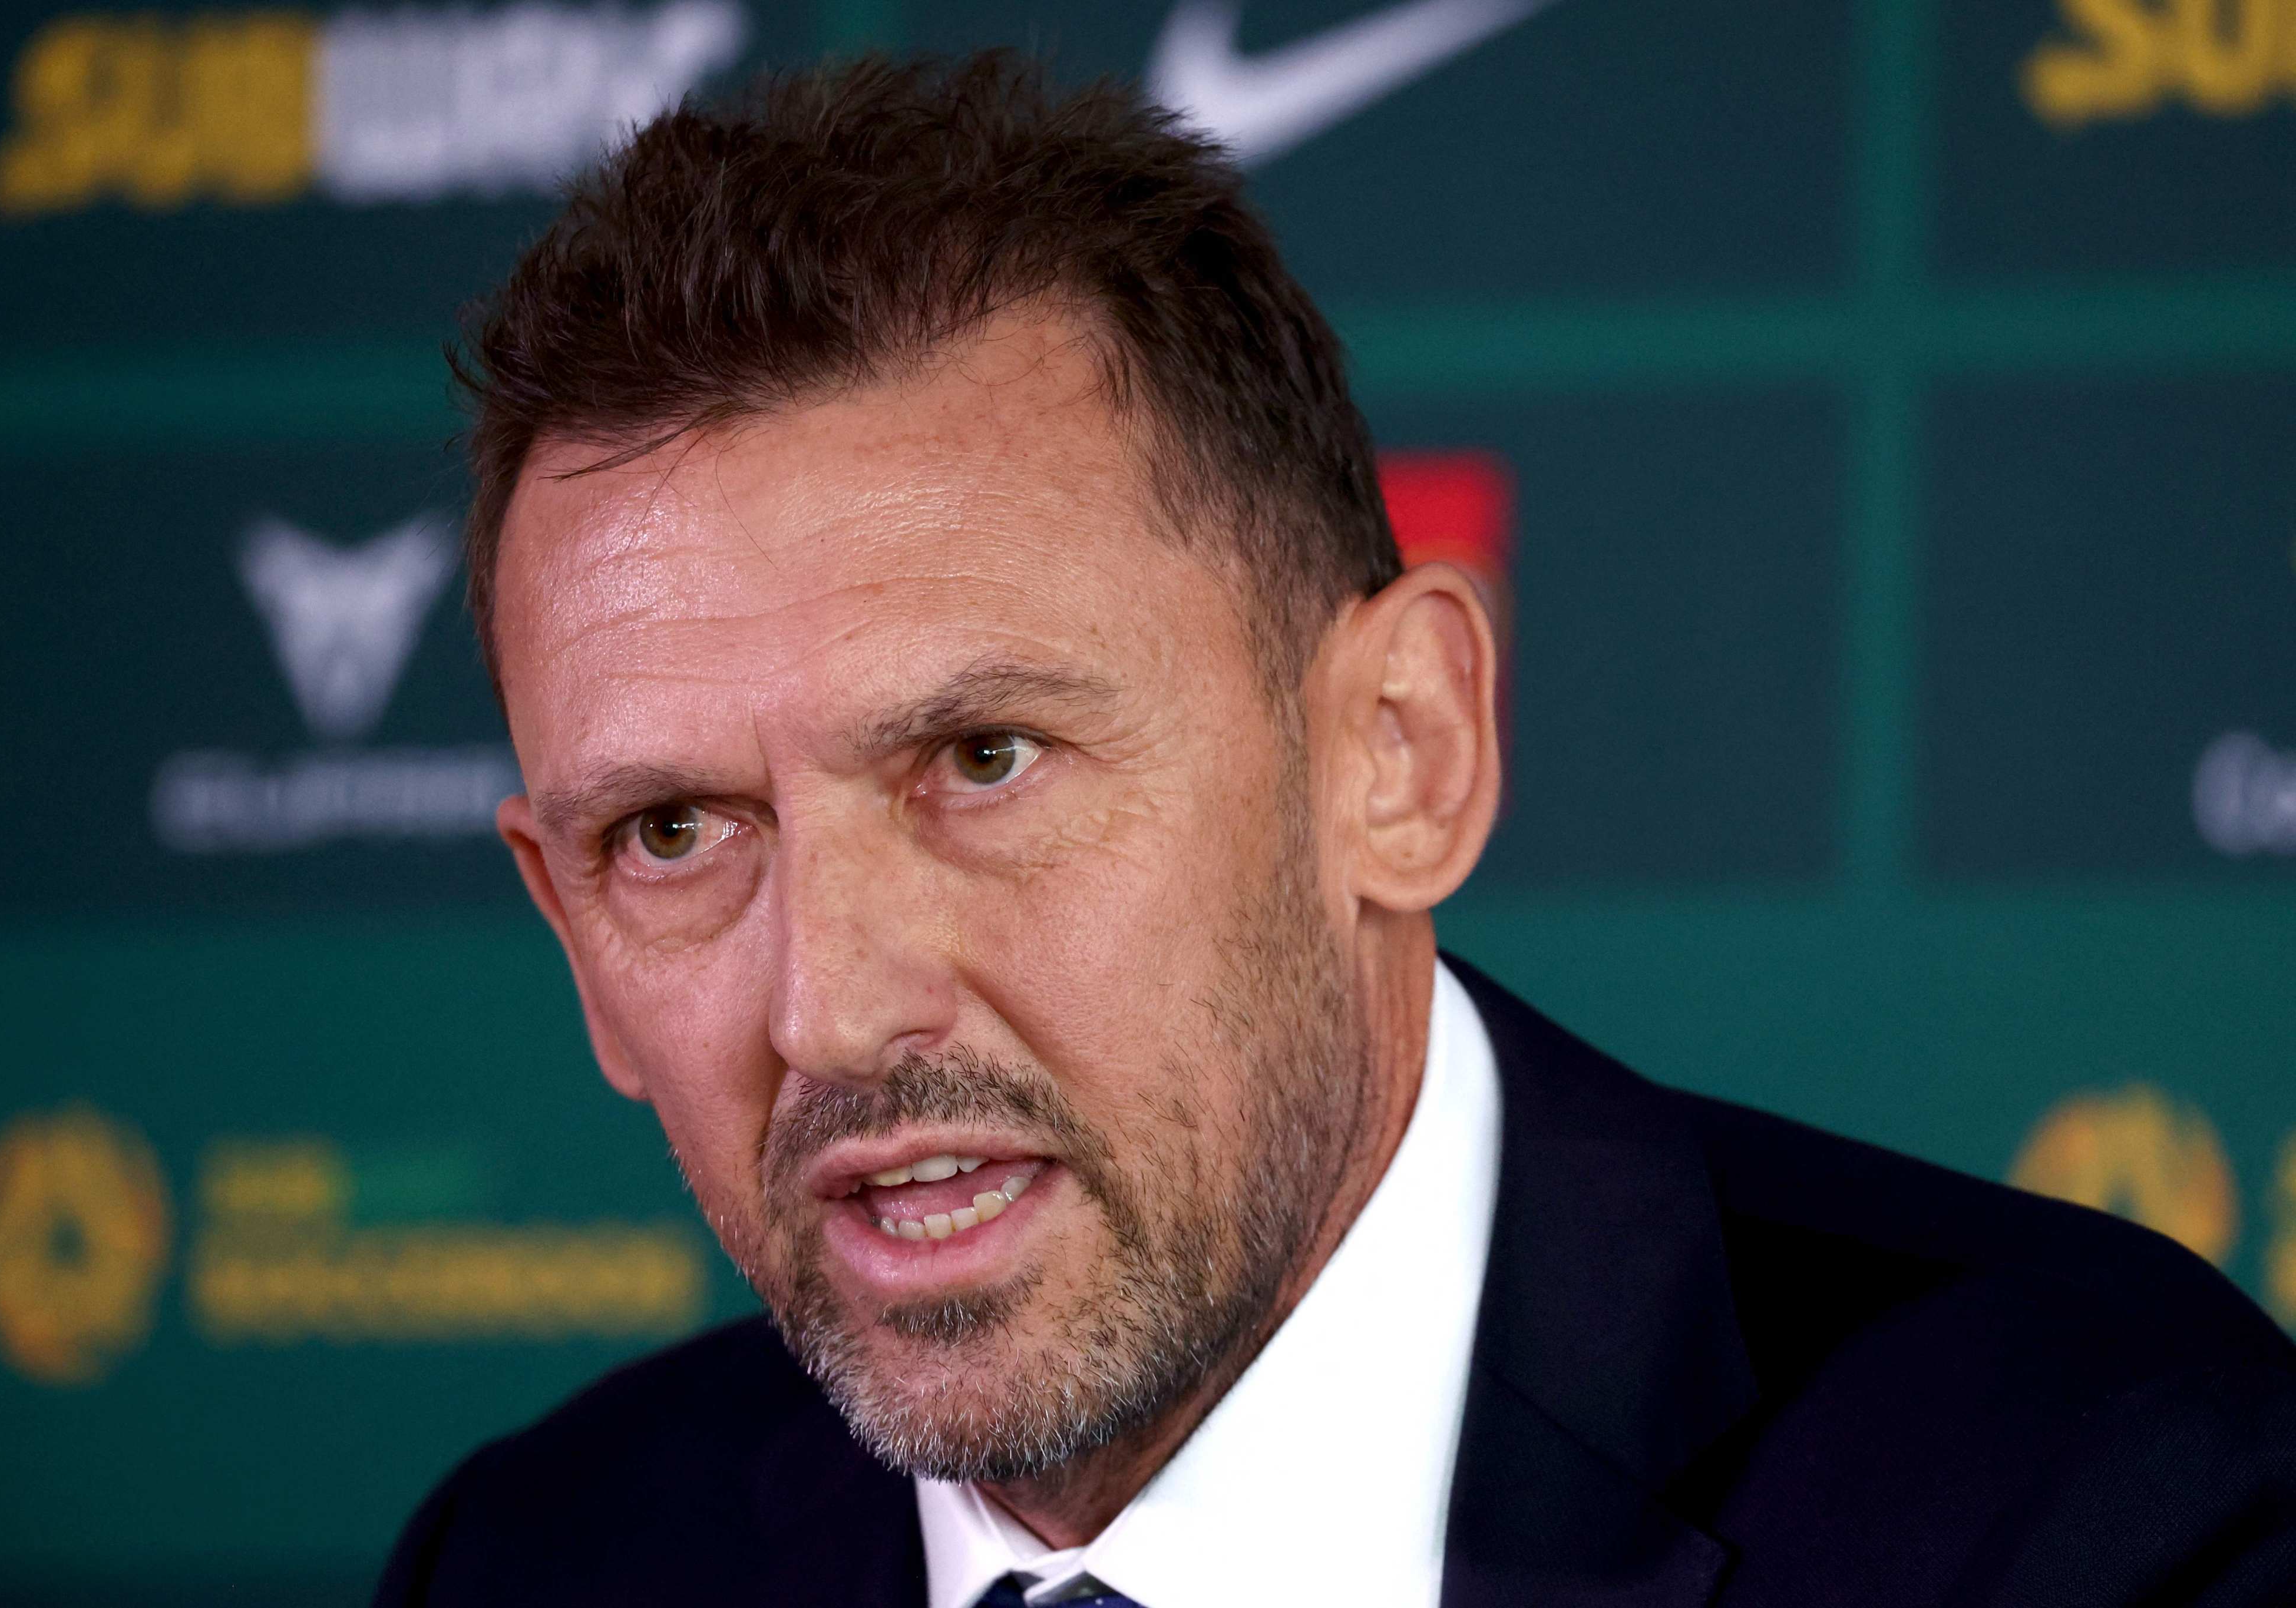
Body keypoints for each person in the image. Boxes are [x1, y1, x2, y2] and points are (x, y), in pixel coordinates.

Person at [375, 53, 2296, 1608]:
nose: (838, 1008)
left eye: (985, 759)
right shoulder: (537, 1560)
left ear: (1400, 751)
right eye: (677, 831)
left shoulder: (2110, 1514)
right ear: (572, 939)